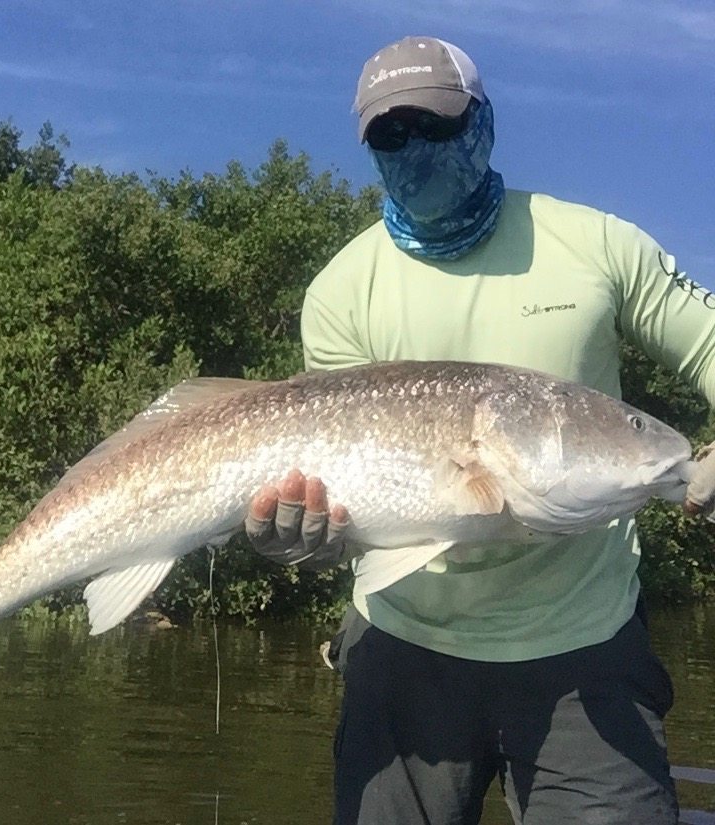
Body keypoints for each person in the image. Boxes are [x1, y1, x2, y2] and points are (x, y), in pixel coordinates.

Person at [244, 35, 715, 825]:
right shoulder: (338, 293)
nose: (414, 148)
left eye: (435, 125)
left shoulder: (596, 246)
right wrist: (307, 536)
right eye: (390, 136)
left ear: (483, 122)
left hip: (586, 645)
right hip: (401, 643)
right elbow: (348, 503)